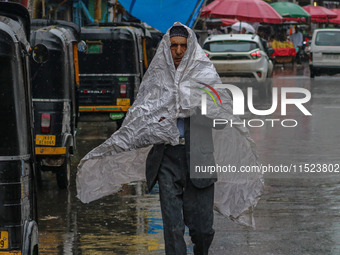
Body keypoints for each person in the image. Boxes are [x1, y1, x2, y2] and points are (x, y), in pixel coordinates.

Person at [145, 25, 216, 255]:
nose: (177, 51)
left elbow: (222, 117)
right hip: (167, 158)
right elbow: (141, 118)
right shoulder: (157, 79)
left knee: (203, 231)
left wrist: (195, 100)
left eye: (183, 46)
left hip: (199, 157)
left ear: (191, 48)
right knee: (173, 230)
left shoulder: (205, 77)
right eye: (173, 45)